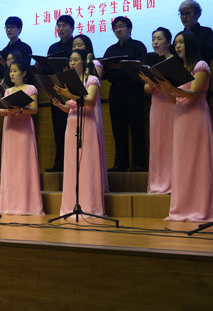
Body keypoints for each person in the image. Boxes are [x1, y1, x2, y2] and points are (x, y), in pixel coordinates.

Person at [153, 31, 213, 222]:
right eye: (176, 43)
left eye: (181, 42)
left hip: (196, 118)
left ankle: (201, 207)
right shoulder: (179, 68)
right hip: (180, 118)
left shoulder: (200, 65)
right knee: (182, 163)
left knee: (197, 161)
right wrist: (164, 86)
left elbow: (194, 93)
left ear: (190, 44)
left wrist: (171, 87)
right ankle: (183, 206)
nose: (178, 46)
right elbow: (176, 99)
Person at [52, 49, 105, 217]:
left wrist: (69, 94)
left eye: (76, 59)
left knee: (87, 164)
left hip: (87, 123)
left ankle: (90, 206)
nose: (72, 63)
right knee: (72, 165)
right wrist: (60, 104)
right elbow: (70, 107)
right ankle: (71, 205)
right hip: (72, 124)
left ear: (84, 62)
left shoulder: (92, 80)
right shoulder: (69, 82)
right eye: (71, 60)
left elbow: (89, 102)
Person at [0, 60, 43, 215]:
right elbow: (6, 112)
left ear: (23, 73)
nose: (12, 74)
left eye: (15, 71)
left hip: (24, 130)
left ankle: (27, 205)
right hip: (10, 130)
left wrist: (20, 109)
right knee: (11, 167)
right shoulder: (8, 91)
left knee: (24, 165)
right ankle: (10, 205)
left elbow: (34, 110)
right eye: (10, 71)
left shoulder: (30, 88)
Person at [102, 16, 148, 172]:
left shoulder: (138, 46)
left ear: (129, 28)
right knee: (118, 129)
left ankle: (138, 163)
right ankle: (120, 163)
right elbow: (106, 74)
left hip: (133, 90)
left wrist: (120, 69)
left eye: (121, 26)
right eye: (115, 27)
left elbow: (138, 71)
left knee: (137, 128)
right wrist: (122, 70)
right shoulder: (110, 50)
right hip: (116, 91)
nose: (118, 29)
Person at [138, 27, 174, 194]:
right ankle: (158, 182)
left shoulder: (175, 60)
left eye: (159, 39)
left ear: (169, 42)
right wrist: (152, 83)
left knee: (171, 143)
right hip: (157, 104)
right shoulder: (150, 62)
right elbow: (146, 89)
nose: (155, 42)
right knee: (158, 143)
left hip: (172, 103)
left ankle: (173, 181)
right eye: (153, 39)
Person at [73, 34, 108, 190]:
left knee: (92, 139)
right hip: (76, 107)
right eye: (74, 46)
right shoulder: (73, 68)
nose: (76, 48)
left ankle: (97, 182)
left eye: (79, 45)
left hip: (90, 104)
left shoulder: (94, 64)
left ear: (87, 47)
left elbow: (95, 79)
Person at [45, 14, 75, 172]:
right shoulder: (53, 48)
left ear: (72, 28)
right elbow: (48, 69)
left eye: (64, 25)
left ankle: (73, 163)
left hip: (73, 90)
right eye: (59, 26)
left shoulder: (76, 46)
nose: (61, 29)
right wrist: (41, 67)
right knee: (58, 128)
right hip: (56, 89)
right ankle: (59, 163)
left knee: (73, 129)